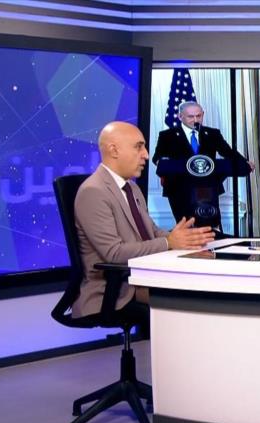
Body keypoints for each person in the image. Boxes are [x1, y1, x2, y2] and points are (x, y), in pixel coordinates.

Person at [72, 121, 215, 319]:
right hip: (117, 291)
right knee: (195, 295)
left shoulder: (132, 188)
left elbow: (152, 232)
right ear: (114, 150)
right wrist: (169, 242)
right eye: (138, 147)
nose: (146, 155)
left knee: (206, 283)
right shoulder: (93, 191)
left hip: (143, 277)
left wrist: (187, 241)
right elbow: (113, 254)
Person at [152, 101, 253, 231]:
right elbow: (157, 158)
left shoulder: (212, 134)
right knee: (188, 229)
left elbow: (228, 153)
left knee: (211, 229)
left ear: (203, 114)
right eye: (191, 116)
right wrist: (163, 164)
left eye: (199, 116)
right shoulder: (167, 136)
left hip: (208, 189)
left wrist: (245, 163)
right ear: (180, 116)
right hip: (180, 191)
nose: (195, 120)